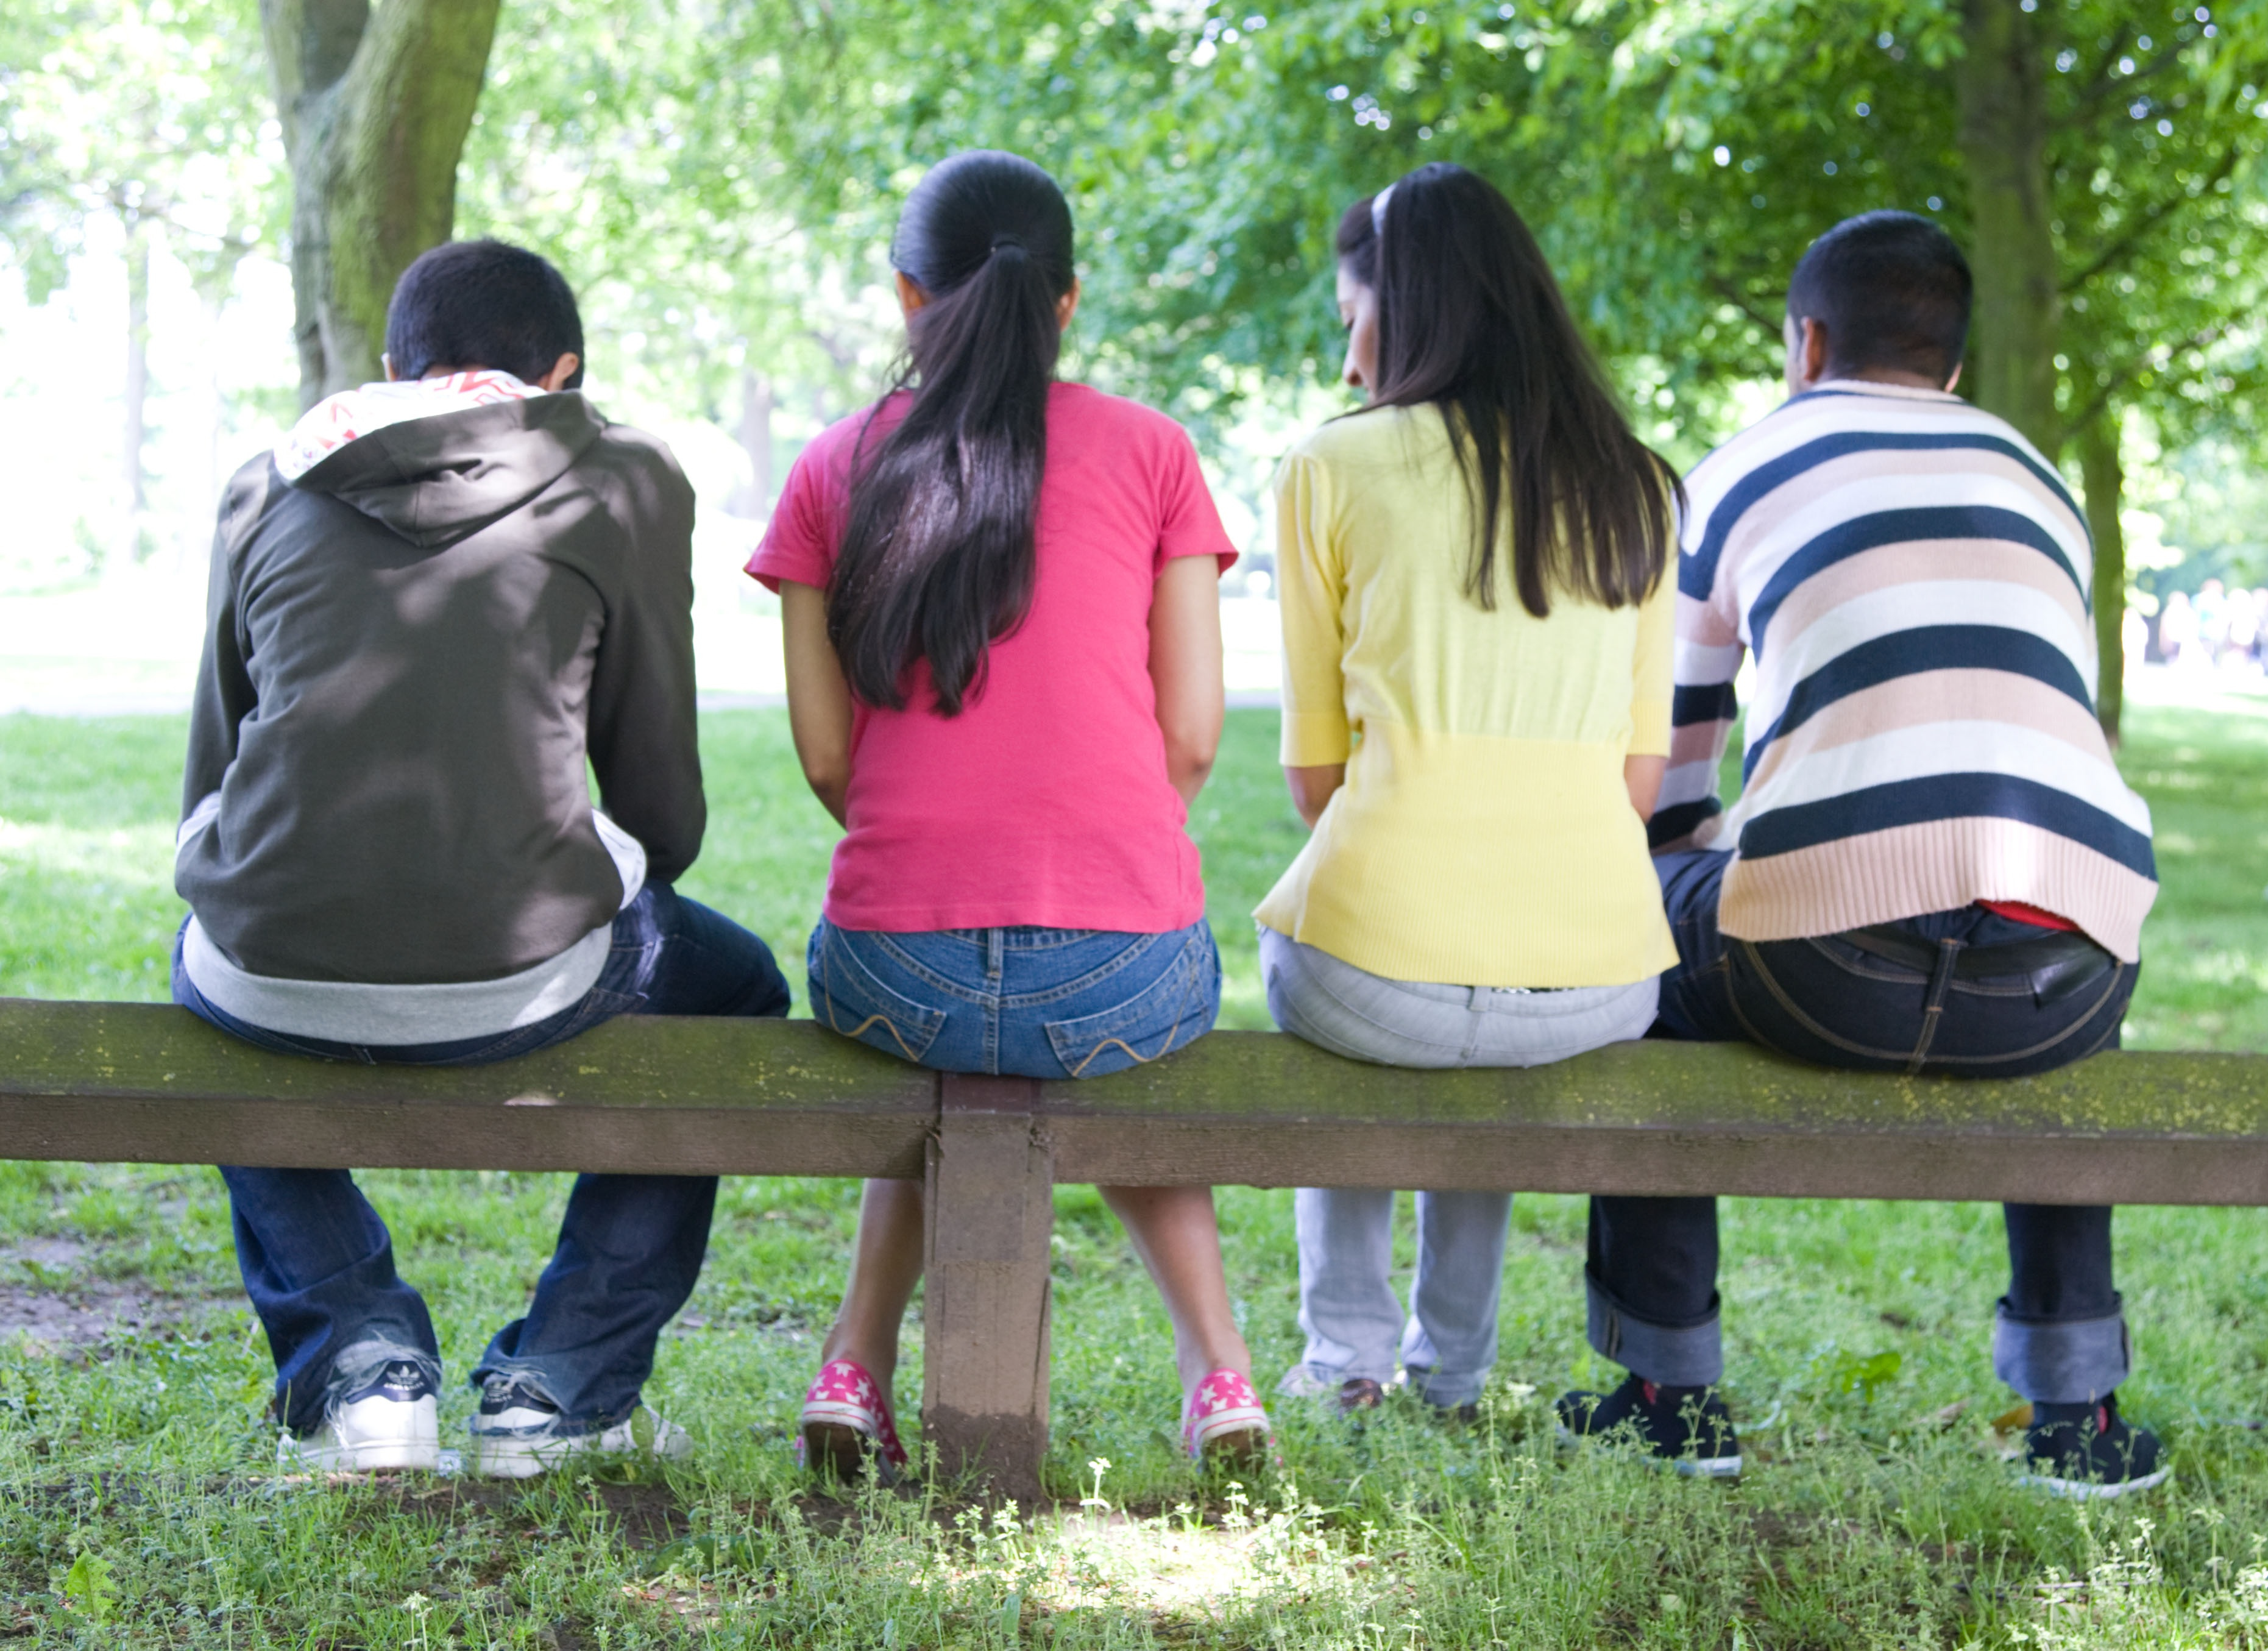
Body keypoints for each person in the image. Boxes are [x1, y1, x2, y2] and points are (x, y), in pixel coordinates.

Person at [1560, 211, 2168, 1498]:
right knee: (2060, 891)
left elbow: (1667, 783)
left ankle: (1668, 1389)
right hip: (2065, 987)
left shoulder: (1736, 472)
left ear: (1806, 341)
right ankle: (2079, 1410)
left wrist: (1728, 834)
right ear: (1950, 358)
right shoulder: (2040, 480)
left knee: (1632, 918)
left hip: (1819, 967)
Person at [174, 240, 792, 1477]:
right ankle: (560, 1384)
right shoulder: (620, 473)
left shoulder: (265, 478)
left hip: (267, 957)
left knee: (207, 986)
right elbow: (659, 794)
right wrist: (613, 873)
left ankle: (357, 1354)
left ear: (395, 368)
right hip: (533, 966)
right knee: (736, 989)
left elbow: (213, 768)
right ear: (561, 372)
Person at [746, 151, 1270, 1480]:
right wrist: (1111, 852)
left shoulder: (831, 464)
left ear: (906, 295)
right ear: (1070, 301)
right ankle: (1219, 1375)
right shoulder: (1153, 452)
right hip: (1120, 965)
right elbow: (1193, 733)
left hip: (889, 968)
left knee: (956, 1055)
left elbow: (826, 755)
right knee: (1096, 1049)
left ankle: (853, 1361)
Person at [1253, 165, 1682, 1423]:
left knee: (1358, 964)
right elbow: (1638, 781)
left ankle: (1347, 1361)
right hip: (1598, 982)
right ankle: (1455, 1371)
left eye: (1353, 319)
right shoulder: (1638, 483)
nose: (1348, 360)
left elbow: (1314, 778)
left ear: (1410, 306)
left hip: (1372, 977)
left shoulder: (1331, 466)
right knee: (1482, 1021)